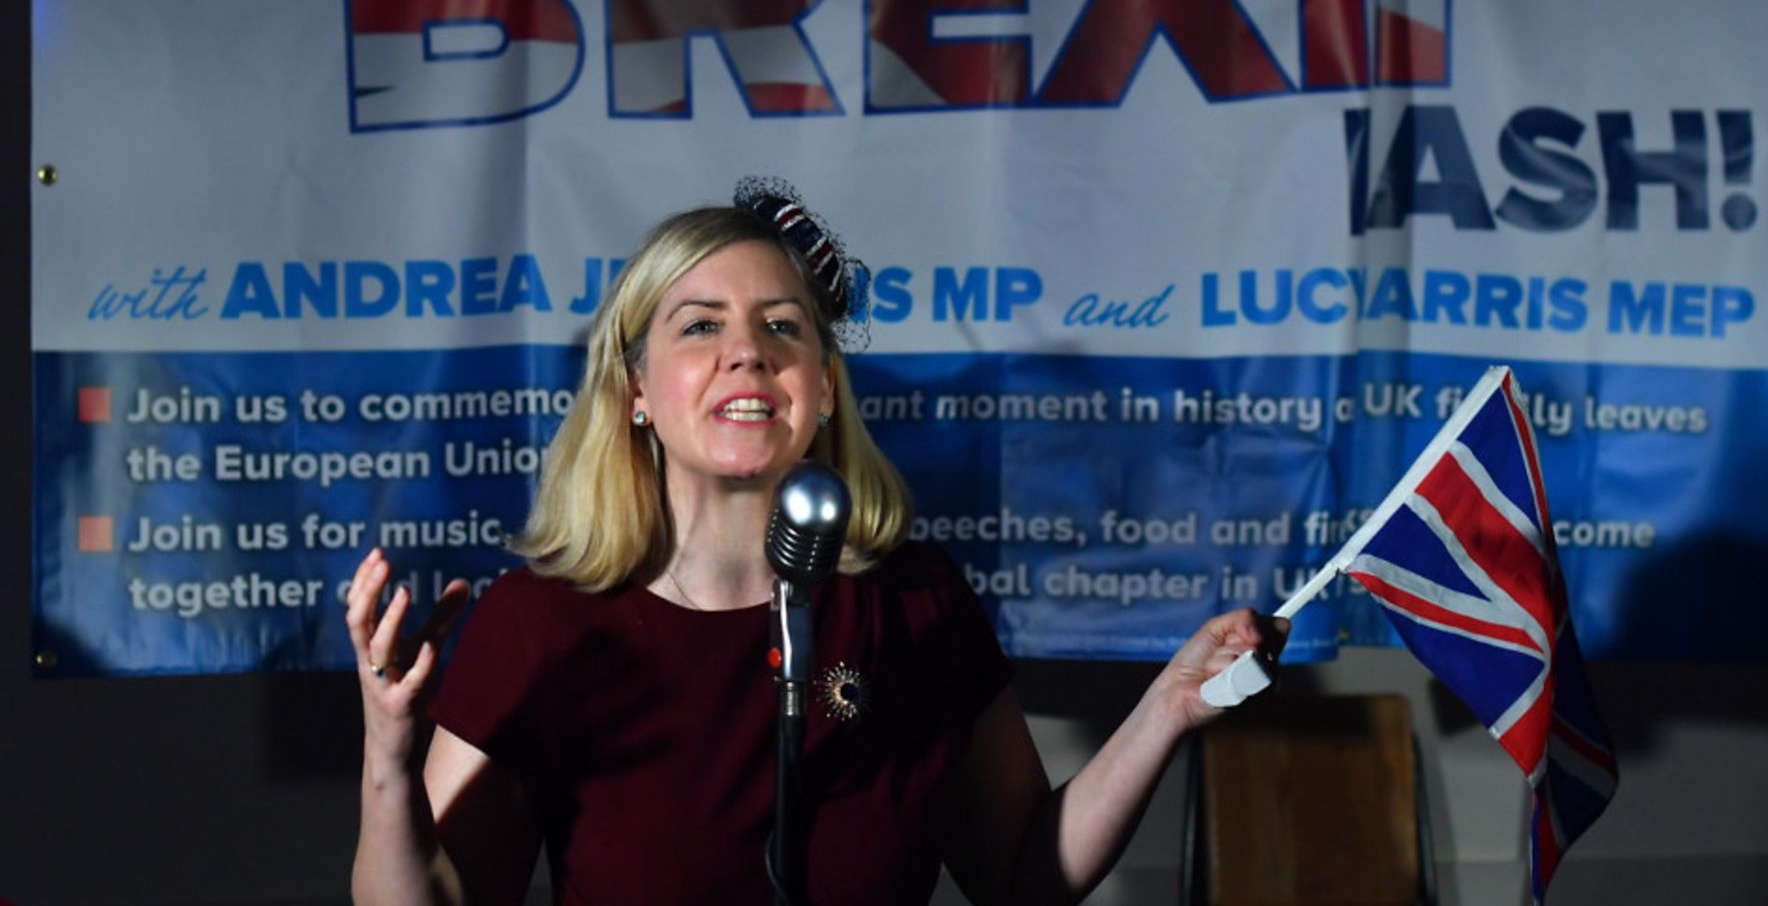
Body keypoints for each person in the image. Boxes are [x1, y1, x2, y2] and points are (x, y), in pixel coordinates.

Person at [348, 181, 1289, 905]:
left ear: (825, 389)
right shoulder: (539, 625)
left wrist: (1163, 708)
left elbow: (1022, 874)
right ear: (636, 390)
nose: (748, 351)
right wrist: (390, 760)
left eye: (783, 327)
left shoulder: (914, 601)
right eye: (701, 325)